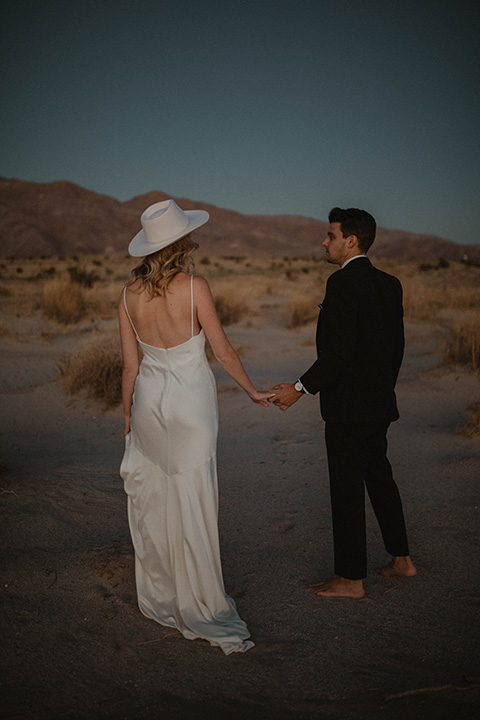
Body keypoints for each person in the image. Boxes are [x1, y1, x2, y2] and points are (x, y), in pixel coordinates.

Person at [119, 199, 272, 653]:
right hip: (190, 405)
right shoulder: (194, 286)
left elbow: (130, 367)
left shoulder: (127, 295)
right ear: (182, 242)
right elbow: (222, 351)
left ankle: (165, 589)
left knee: (159, 496)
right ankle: (200, 594)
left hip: (149, 404)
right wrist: (250, 390)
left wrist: (127, 415)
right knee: (194, 497)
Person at [270, 207, 416, 599]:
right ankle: (402, 561)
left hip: (349, 408)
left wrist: (298, 389)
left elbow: (339, 353)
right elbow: (395, 348)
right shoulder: (391, 284)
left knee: (347, 489)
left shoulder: (342, 283)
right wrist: (384, 388)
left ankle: (351, 580)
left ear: (351, 240)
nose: (324, 241)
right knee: (380, 479)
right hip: (379, 403)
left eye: (330, 235)